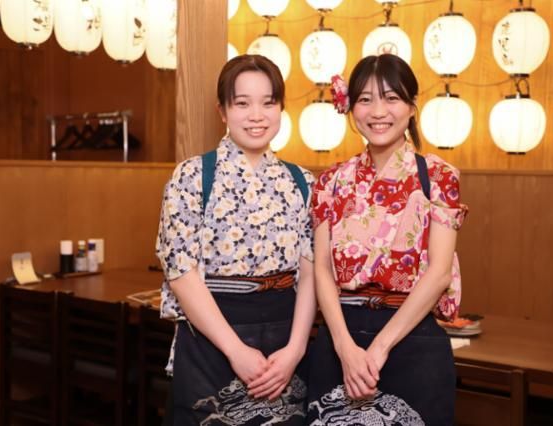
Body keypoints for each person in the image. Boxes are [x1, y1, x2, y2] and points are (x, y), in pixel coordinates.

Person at [307, 54, 468, 425]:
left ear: (412, 106)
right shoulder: (331, 180)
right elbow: (323, 270)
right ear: (351, 109)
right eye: (365, 99)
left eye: (391, 98)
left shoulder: (438, 176)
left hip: (411, 337)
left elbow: (439, 273)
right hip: (340, 337)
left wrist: (378, 348)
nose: (378, 111)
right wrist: (345, 348)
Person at [156, 54, 316, 425]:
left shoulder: (302, 182)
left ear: (281, 108)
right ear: (223, 111)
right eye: (242, 103)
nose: (256, 115)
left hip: (284, 338)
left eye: (268, 103)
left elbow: (312, 272)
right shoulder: (193, 176)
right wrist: (235, 351)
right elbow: (181, 273)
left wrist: (295, 349)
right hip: (212, 335)